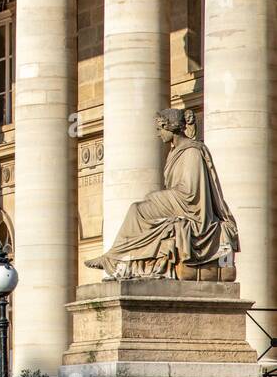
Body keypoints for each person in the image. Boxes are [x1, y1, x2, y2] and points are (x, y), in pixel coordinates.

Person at [84, 108, 238, 280]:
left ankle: (114, 258)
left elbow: (192, 193)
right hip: (179, 204)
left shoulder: (192, 152)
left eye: (159, 129)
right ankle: (124, 262)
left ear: (169, 127)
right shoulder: (175, 152)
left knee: (137, 210)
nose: (158, 134)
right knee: (139, 210)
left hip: (193, 211)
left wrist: (156, 197)